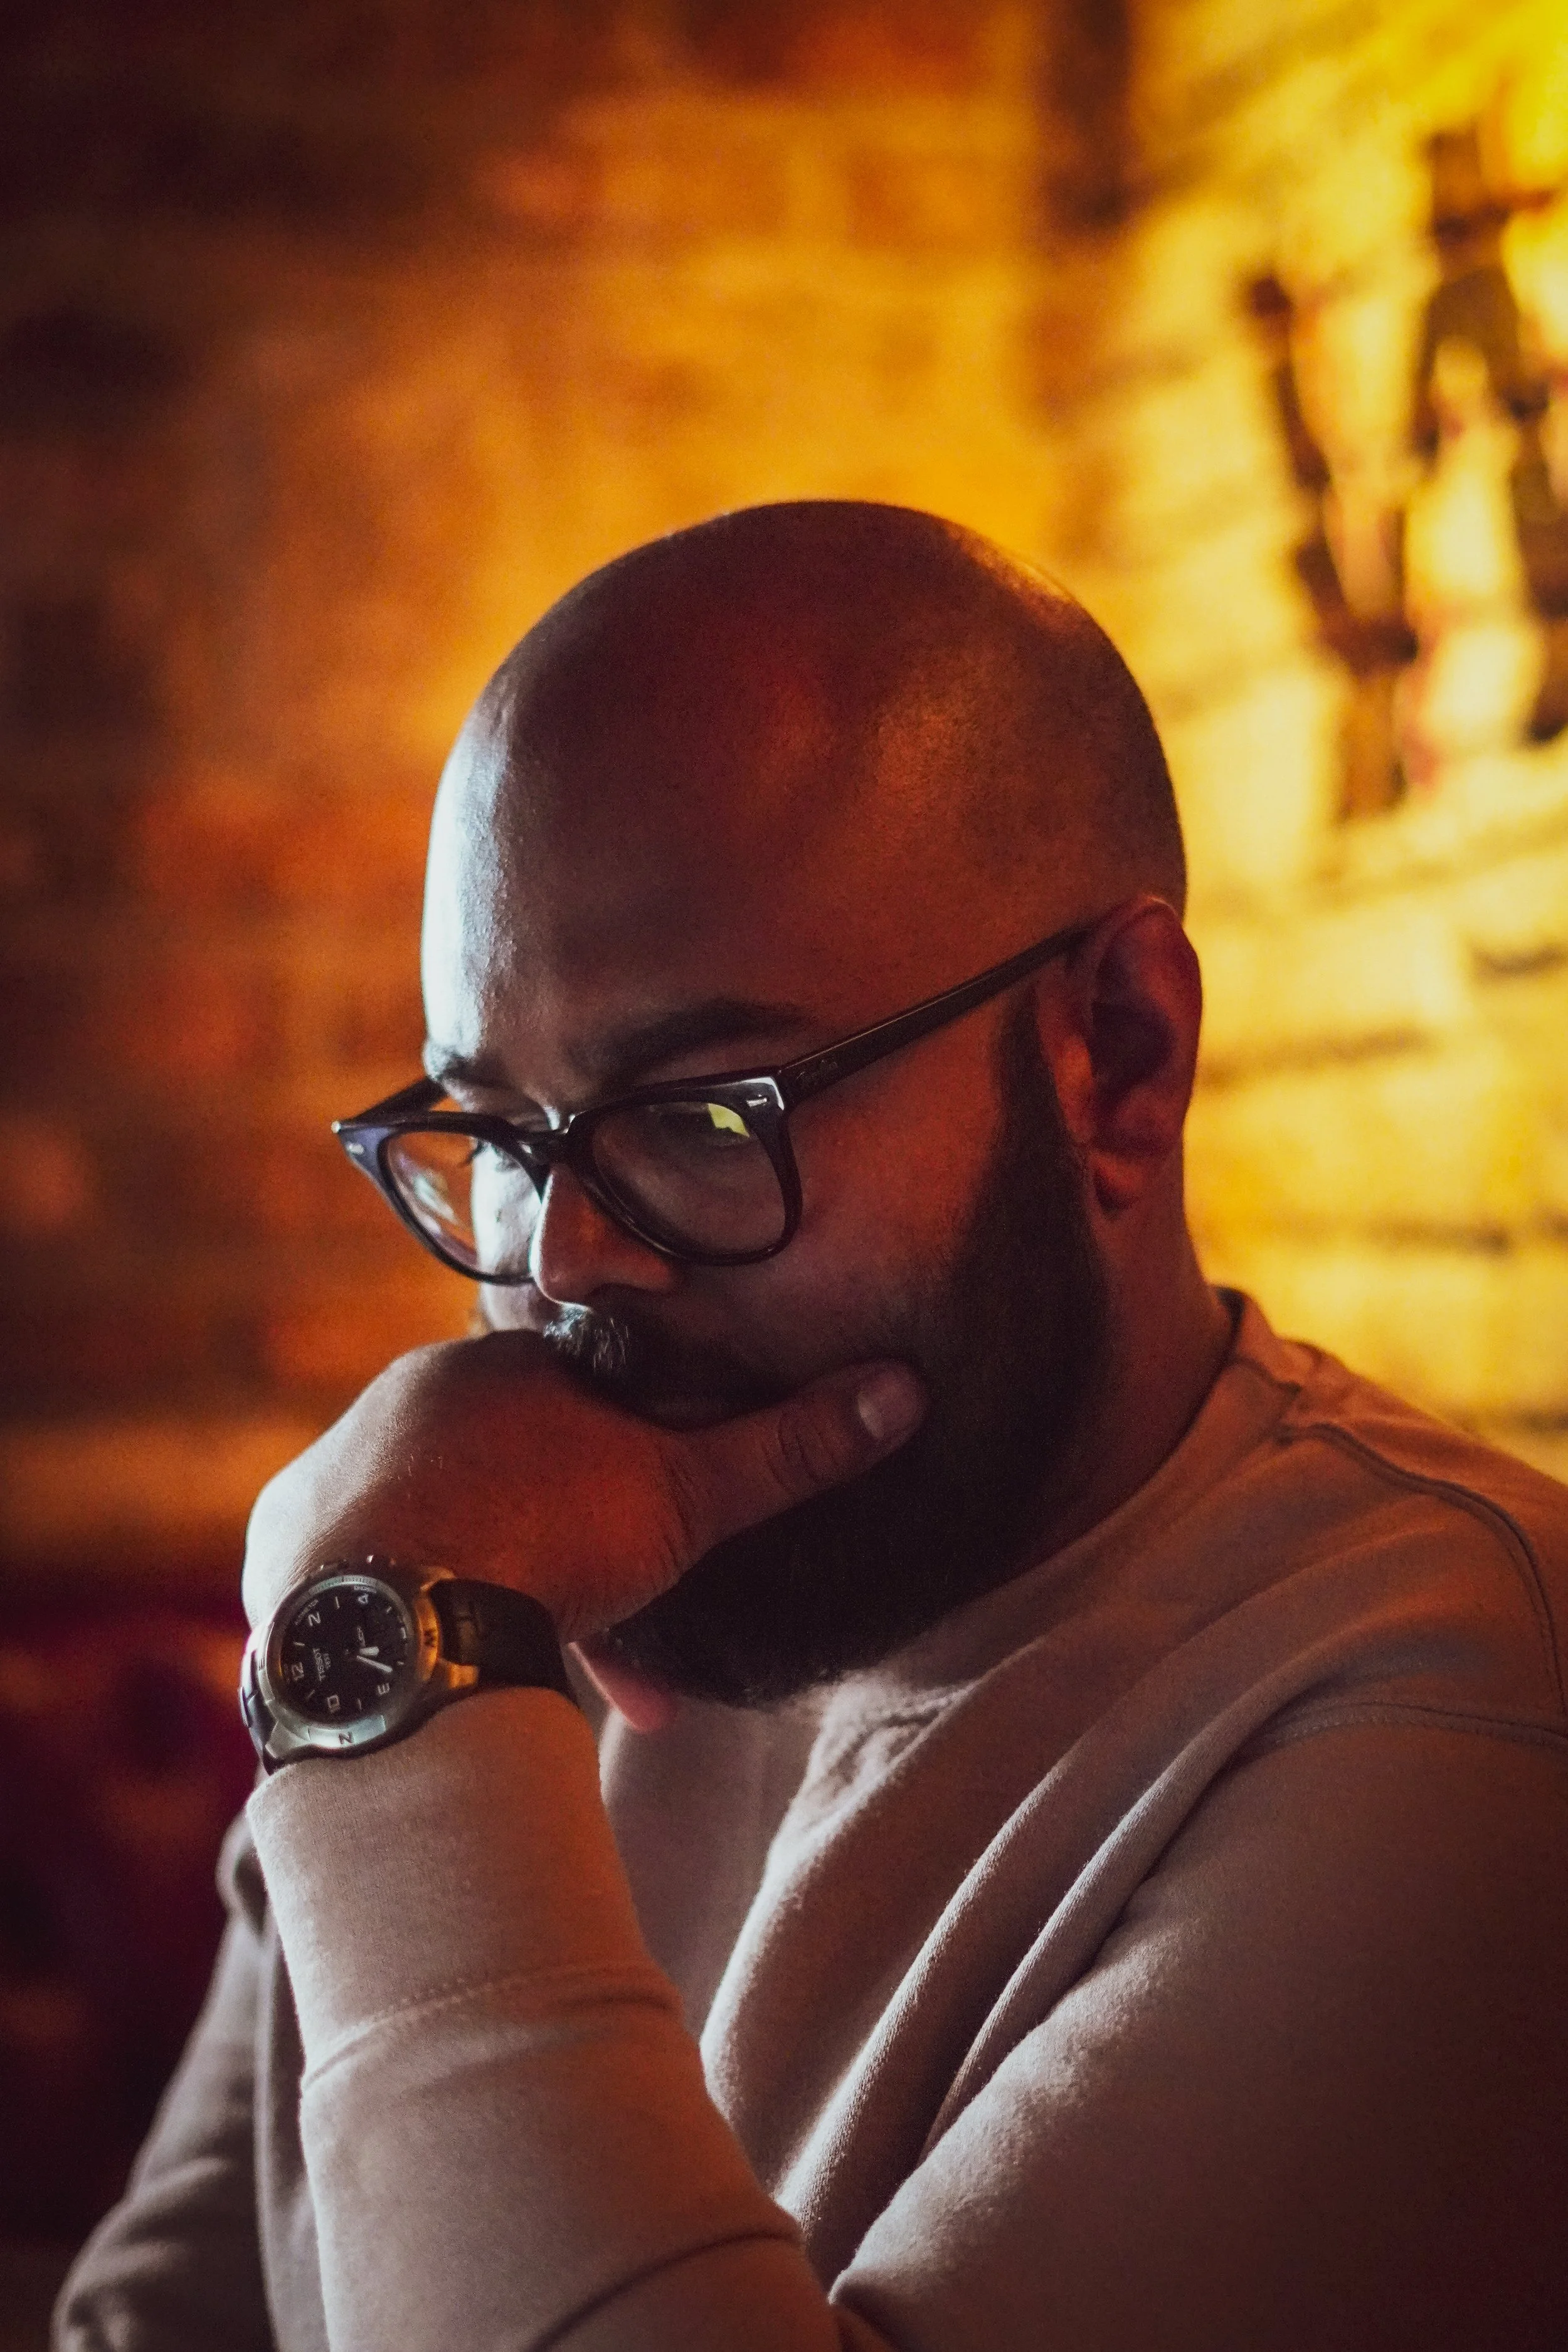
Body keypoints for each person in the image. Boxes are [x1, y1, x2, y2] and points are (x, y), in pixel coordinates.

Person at [56, 502, 1568, 2352]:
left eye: (702, 1117)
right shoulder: (521, 1572)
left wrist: (406, 1683)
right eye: (501, 1137)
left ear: (1118, 1052)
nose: (569, 1264)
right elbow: (159, 2318)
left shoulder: (1452, 1703)